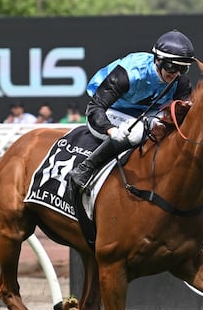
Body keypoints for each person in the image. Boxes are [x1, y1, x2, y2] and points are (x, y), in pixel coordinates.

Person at [67, 30, 196, 196]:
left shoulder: (180, 82)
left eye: (183, 68)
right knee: (135, 133)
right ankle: (85, 169)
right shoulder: (130, 73)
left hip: (146, 112)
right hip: (113, 108)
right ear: (158, 60)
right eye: (172, 66)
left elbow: (183, 118)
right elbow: (95, 108)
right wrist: (111, 130)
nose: (176, 73)